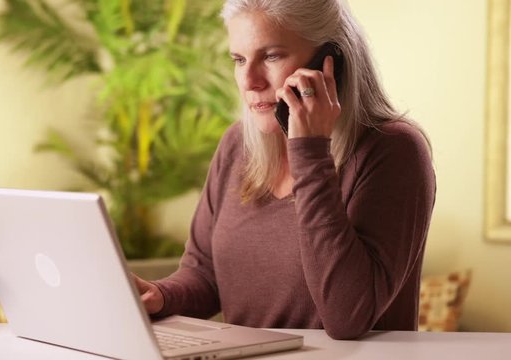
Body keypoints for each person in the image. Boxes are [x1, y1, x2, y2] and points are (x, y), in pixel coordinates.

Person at [133, 0, 435, 340]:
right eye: (239, 59)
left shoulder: (394, 150)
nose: (249, 80)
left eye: (272, 56)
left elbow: (348, 317)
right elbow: (206, 274)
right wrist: (160, 296)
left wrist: (309, 152)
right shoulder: (237, 145)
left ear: (330, 61)